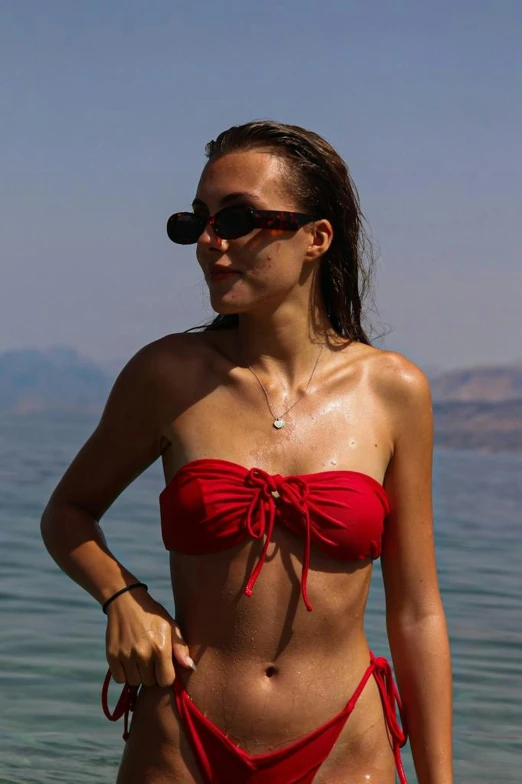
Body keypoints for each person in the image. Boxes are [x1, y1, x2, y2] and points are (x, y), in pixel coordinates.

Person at [41, 120, 453, 783]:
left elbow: (417, 610)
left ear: (316, 237)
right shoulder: (167, 376)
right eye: (197, 220)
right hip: (181, 742)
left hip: (346, 748)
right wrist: (123, 597)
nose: (210, 241)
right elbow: (68, 512)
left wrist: (441, 778)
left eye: (236, 219)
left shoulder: (394, 391)